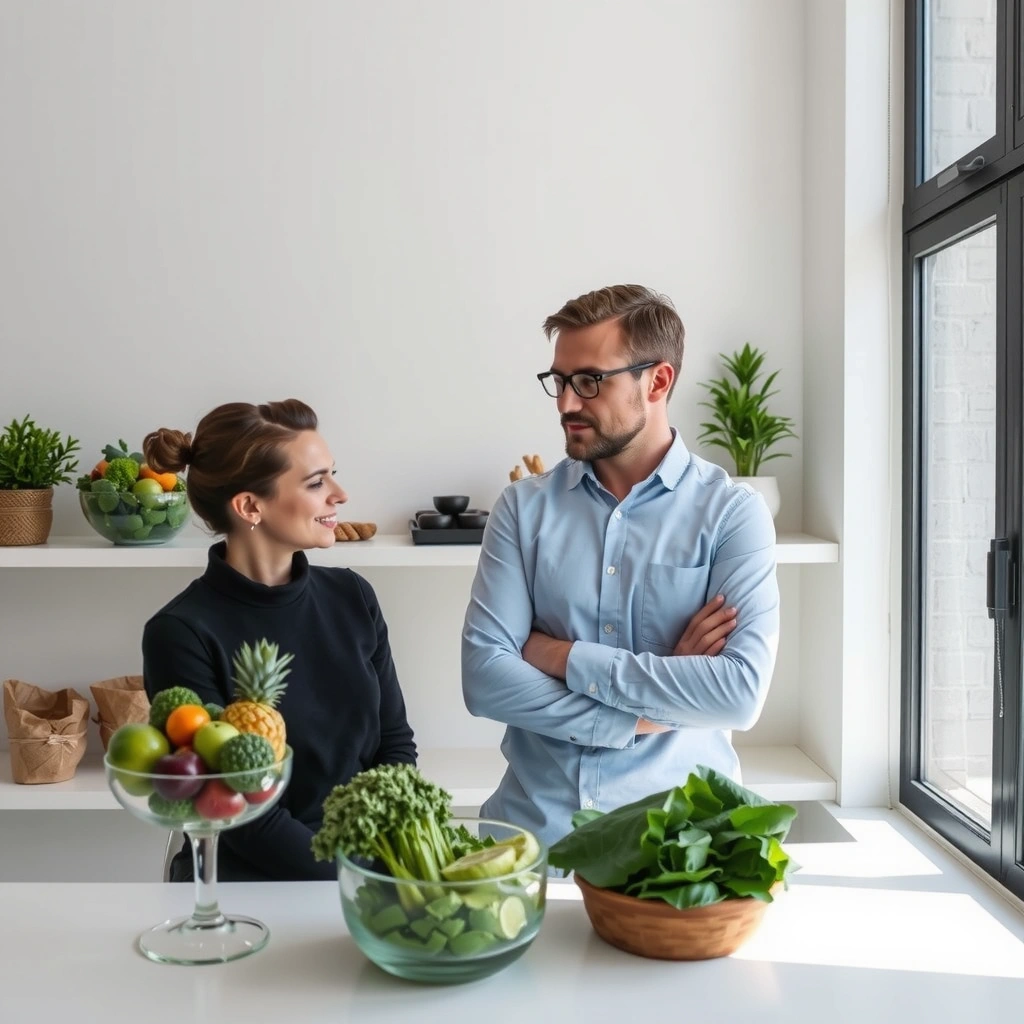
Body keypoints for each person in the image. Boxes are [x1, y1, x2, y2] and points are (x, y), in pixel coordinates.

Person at [461, 284, 779, 851]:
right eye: (558, 381)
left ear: (657, 381)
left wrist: (561, 655)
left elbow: (737, 693)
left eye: (589, 381)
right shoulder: (522, 508)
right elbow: (486, 681)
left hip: (679, 850)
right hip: (530, 846)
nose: (565, 403)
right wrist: (650, 712)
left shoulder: (733, 514)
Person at [141, 399, 416, 882]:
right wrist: (352, 877)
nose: (340, 494)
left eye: (333, 475)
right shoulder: (179, 633)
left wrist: (387, 860)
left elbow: (394, 744)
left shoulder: (353, 596)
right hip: (246, 890)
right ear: (250, 506)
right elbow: (231, 804)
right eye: (316, 483)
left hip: (367, 868)